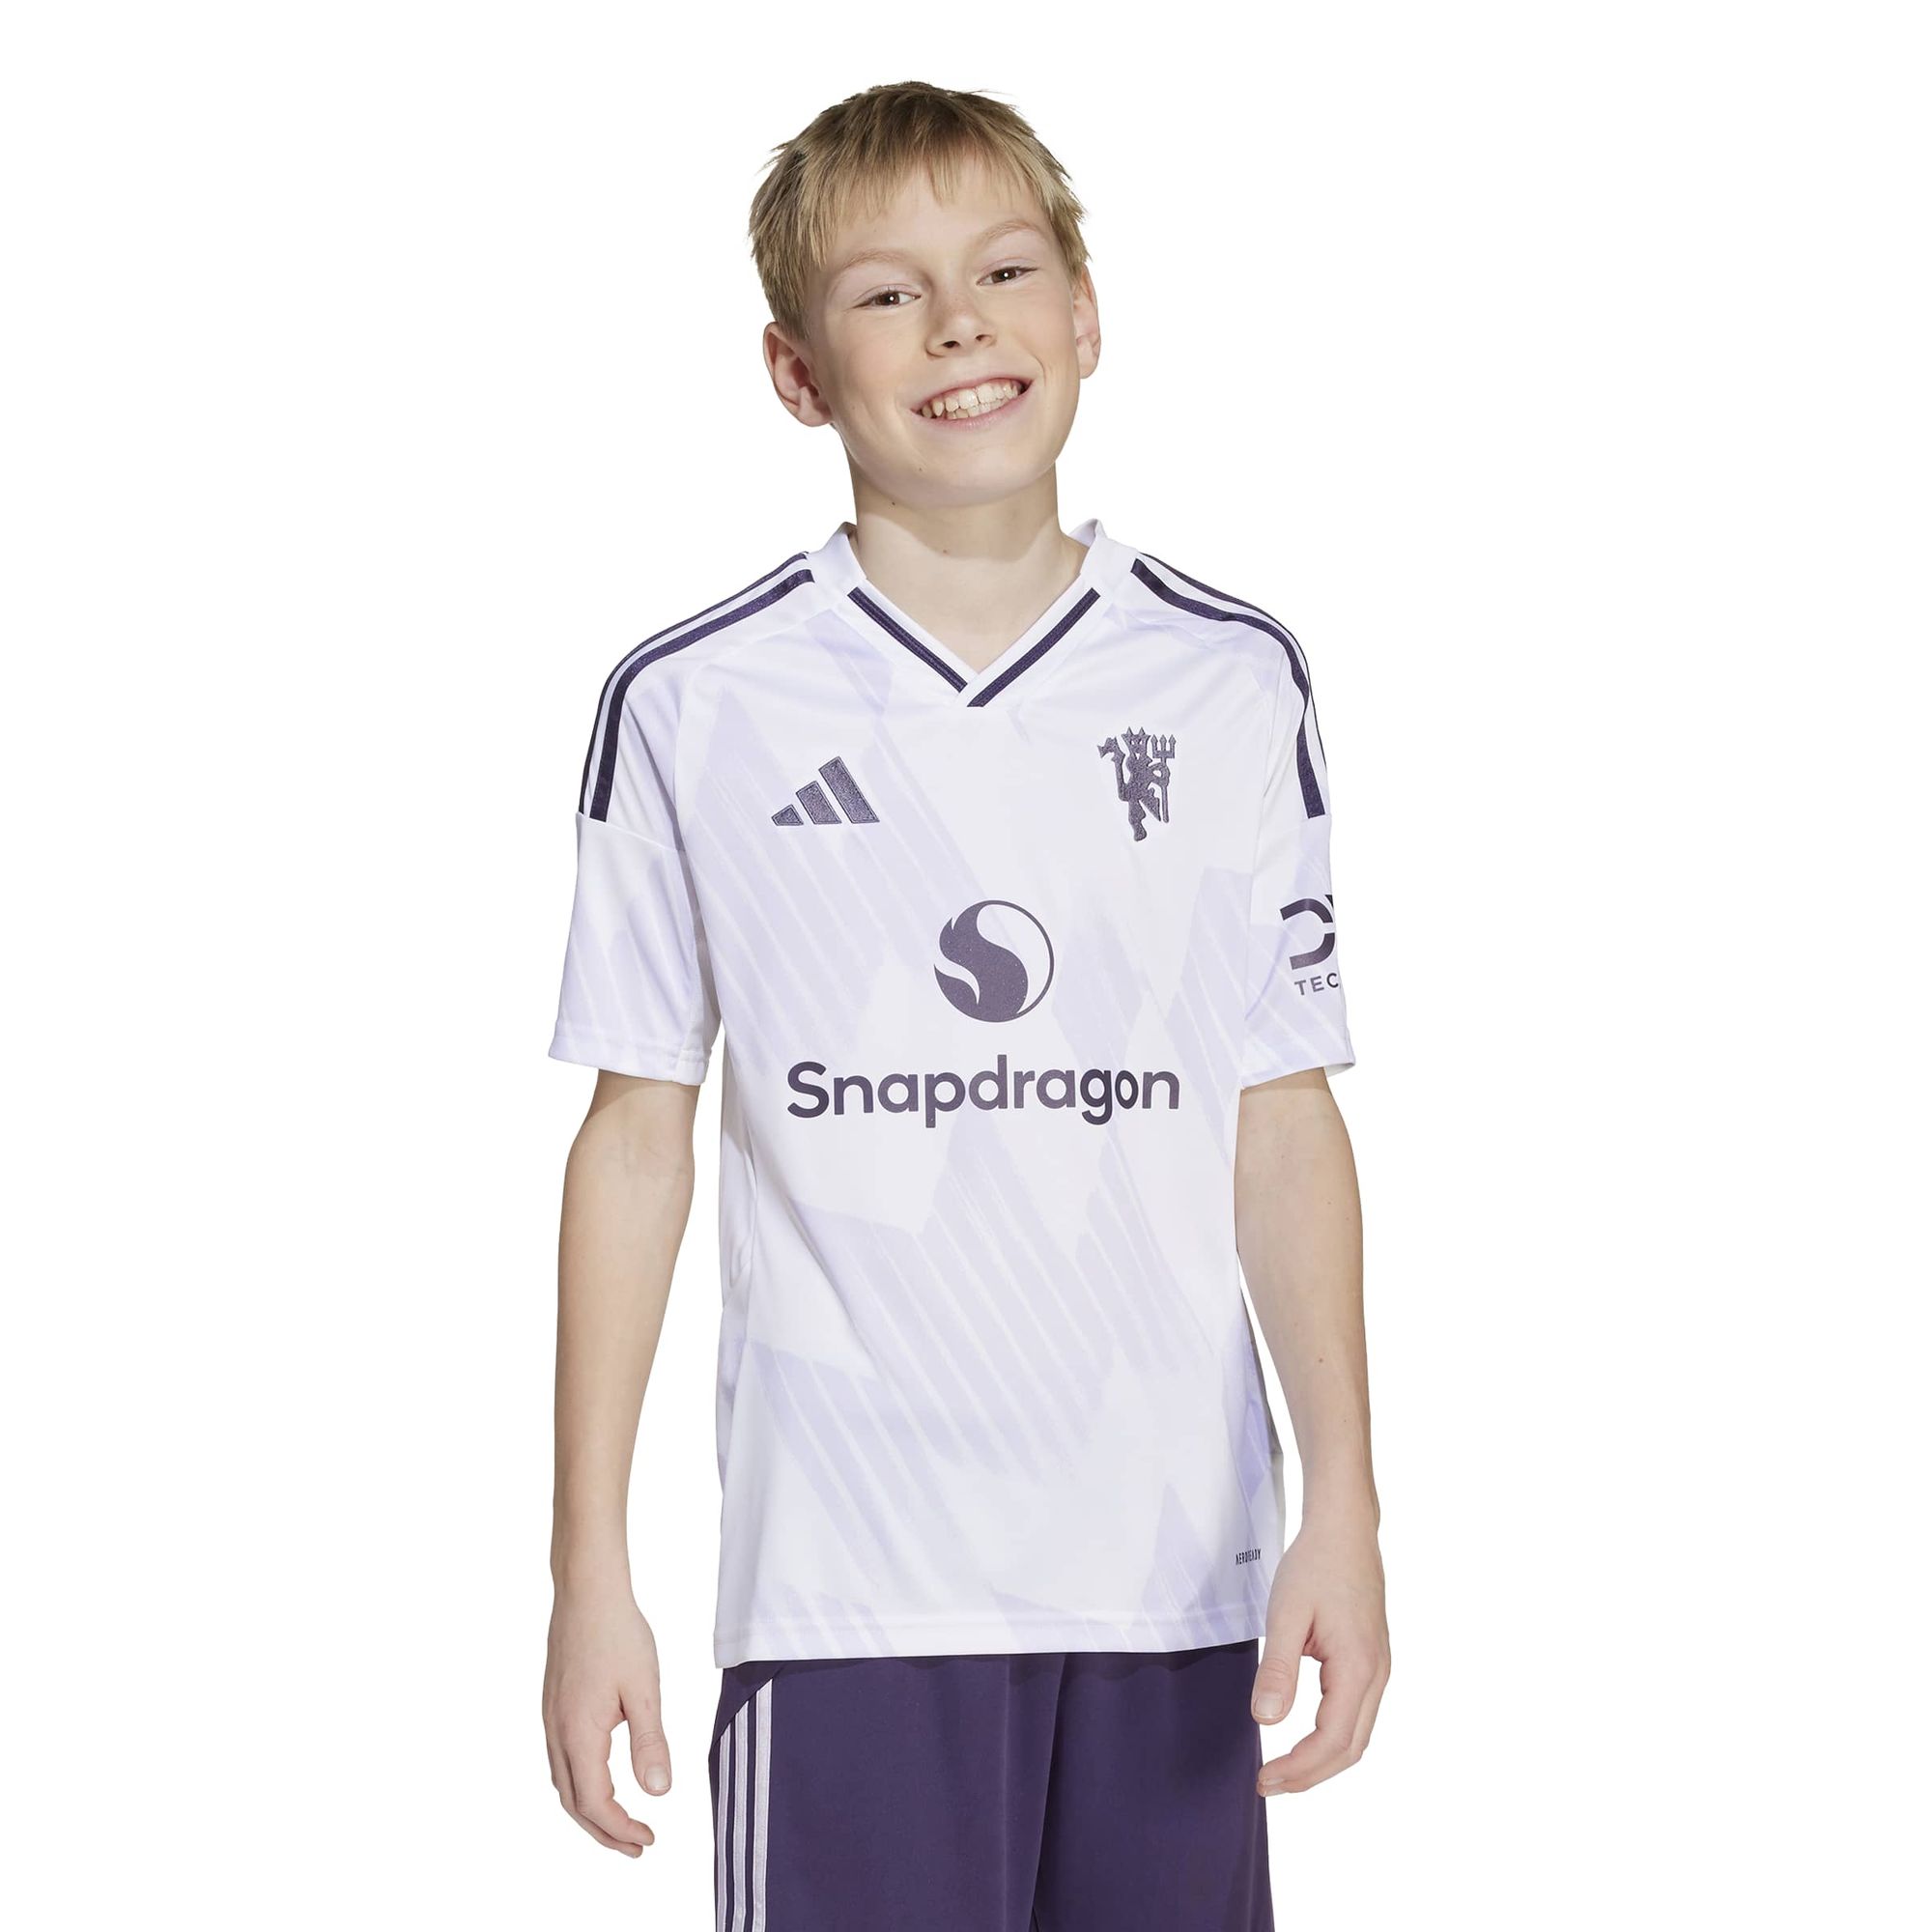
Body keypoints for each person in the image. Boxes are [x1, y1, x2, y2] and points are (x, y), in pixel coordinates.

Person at [541, 79, 1389, 1931]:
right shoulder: (695, 702)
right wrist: (586, 1569)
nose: (956, 325)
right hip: (849, 1587)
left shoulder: (1231, 679)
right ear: (796, 370)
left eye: (1003, 270)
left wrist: (1347, 1500)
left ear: (1084, 313)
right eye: (885, 292)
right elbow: (634, 1139)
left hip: (1177, 1580)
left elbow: (1281, 1112)